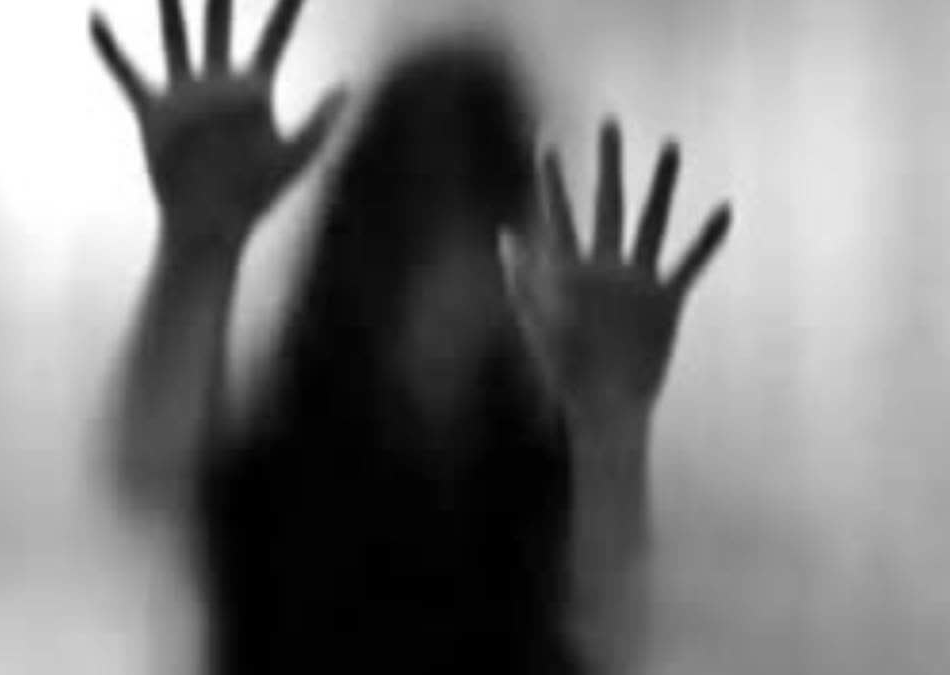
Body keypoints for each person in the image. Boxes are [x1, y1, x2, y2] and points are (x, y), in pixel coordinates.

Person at [90, 1, 732, 674]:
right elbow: (149, 475)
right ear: (365, 232)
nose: (456, 271)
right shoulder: (285, 441)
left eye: (482, 221)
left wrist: (612, 431)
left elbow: (609, 636)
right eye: (429, 219)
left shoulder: (536, 457)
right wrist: (199, 249)